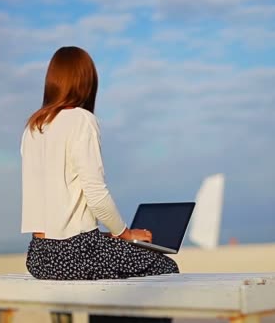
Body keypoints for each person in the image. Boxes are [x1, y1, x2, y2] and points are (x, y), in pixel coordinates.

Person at [20, 46, 178, 322]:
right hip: (74, 253)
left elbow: (59, 216)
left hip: (39, 256)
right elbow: (95, 192)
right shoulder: (81, 120)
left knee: (114, 266)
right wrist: (123, 233)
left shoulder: (34, 127)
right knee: (164, 265)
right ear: (86, 81)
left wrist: (107, 237)